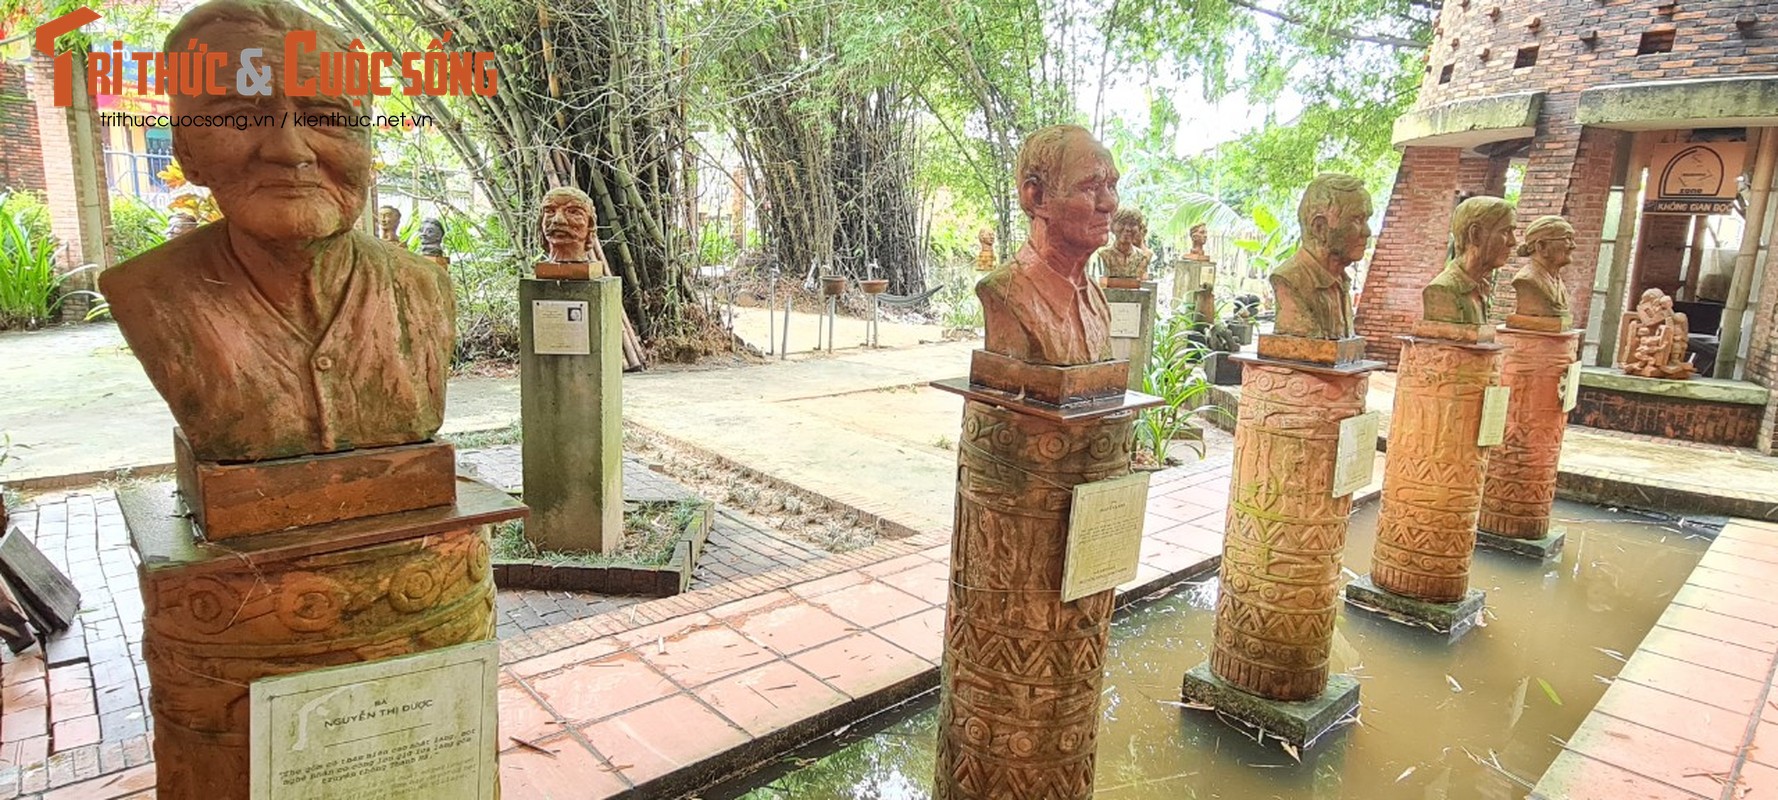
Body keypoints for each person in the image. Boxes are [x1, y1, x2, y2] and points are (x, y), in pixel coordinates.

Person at [99, 0, 453, 463]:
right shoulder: (145, 292)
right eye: (241, 116)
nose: (289, 149)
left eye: (326, 118)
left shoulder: (423, 288)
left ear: (367, 146)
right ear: (186, 149)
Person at [976, 125, 1117, 366]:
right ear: (1037, 197)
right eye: (1091, 187)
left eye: (1112, 186)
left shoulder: (1096, 300)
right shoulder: (1005, 292)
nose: (1109, 203)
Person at [1269, 173, 1372, 340]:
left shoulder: (1341, 281)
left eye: (1366, 219)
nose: (1367, 232)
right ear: (1320, 227)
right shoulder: (1290, 280)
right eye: (1357, 220)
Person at [1424, 196, 1516, 326]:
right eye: (1506, 231)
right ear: (1476, 234)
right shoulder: (1443, 289)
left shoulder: (1480, 287)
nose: (1513, 242)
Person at [1510, 215, 1575, 328]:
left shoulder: (1556, 280)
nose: (1573, 246)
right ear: (1541, 246)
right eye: (1567, 239)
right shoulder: (1527, 280)